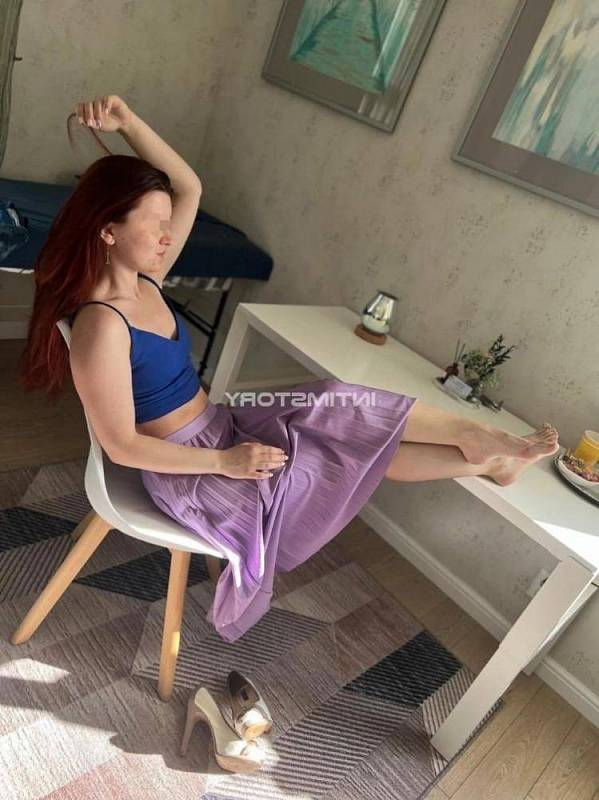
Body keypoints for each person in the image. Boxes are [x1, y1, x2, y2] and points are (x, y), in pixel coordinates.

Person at [18, 94, 559, 643]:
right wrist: (225, 463)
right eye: (154, 224)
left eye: (167, 224)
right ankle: (485, 458)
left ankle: (480, 443)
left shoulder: (147, 281)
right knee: (328, 458)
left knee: (333, 401)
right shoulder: (103, 325)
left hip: (224, 426)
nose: (167, 236)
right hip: (191, 471)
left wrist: (130, 122)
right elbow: (123, 448)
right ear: (107, 230)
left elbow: (190, 188)